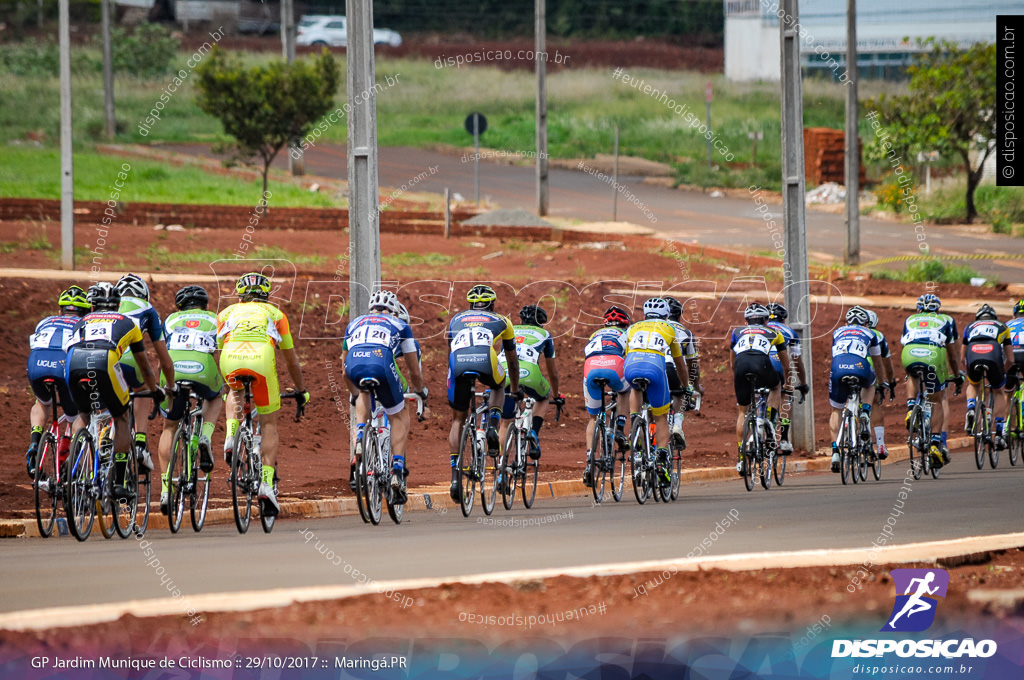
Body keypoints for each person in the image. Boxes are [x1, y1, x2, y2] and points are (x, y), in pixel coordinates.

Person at [217, 272, 309, 513]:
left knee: (233, 391)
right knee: (269, 424)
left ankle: (231, 436)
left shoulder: (225, 313)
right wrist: (301, 390)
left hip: (230, 358)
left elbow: (220, 347)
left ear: (240, 295)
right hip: (261, 358)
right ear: (266, 295)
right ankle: (266, 485)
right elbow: (291, 362)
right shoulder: (277, 314)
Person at [65, 283, 162, 498]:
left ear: (92, 306)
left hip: (73, 362)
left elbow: (69, 348)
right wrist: (154, 390)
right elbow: (145, 367)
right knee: (121, 416)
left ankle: (72, 461)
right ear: (118, 305)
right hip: (104, 361)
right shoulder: (127, 322)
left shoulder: (80, 321)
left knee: (83, 413)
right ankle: (119, 481)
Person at [341, 290, 427, 502]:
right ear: (394, 311)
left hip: (354, 363)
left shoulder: (354, 324)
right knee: (399, 413)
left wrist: (353, 395)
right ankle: (397, 468)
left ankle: (360, 435)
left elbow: (343, 370)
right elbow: (414, 371)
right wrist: (420, 392)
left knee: (362, 392)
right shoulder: (401, 326)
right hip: (382, 364)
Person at [445, 284, 520, 501]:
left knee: (457, 420)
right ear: (492, 304)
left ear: (470, 303)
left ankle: (455, 478)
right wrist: (513, 390)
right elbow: (512, 360)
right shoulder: (503, 321)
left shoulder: (455, 319)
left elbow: (451, 353)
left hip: (457, 364)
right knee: (498, 384)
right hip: (486, 359)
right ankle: (493, 426)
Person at [155, 285, 225, 515]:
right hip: (202, 367)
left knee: (169, 427)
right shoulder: (215, 318)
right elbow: (219, 354)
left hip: (173, 369)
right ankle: (205, 434)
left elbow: (162, 354)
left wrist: (161, 383)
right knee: (215, 397)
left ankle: (166, 488)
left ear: (180, 305)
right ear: (204, 305)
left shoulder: (171, 319)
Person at [25, 286, 90, 479]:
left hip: (37, 363)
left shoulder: (45, 321)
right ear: (85, 311)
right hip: (63, 365)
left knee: (43, 403)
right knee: (77, 413)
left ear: (60, 310)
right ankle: (67, 455)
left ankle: (35, 441)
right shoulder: (85, 322)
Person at [624, 297, 689, 488]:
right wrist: (685, 386)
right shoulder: (669, 328)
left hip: (632, 367)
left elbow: (626, 353)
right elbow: (679, 363)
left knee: (635, 387)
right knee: (660, 417)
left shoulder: (633, 327)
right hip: (655, 368)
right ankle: (661, 458)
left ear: (644, 315)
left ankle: (635, 423)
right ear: (666, 315)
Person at [115, 273, 175, 473]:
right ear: (144, 295)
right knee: (141, 389)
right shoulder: (147, 308)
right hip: (130, 361)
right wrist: (169, 387)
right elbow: (164, 359)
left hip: (96, 357)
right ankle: (140, 443)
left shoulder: (108, 304)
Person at [899, 293, 962, 467]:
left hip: (910, 353)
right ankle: (935, 443)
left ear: (918, 308)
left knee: (913, 374)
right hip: (934, 355)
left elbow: (906, 344)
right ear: (938, 309)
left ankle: (911, 407)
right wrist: (957, 375)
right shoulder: (946, 320)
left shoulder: (910, 319)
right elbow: (952, 353)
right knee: (937, 400)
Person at [727, 303, 791, 475]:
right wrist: (788, 384)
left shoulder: (737, 332)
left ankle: (741, 459)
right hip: (761, 364)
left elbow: (732, 360)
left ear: (746, 320)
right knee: (776, 386)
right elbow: (785, 364)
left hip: (741, 367)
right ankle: (769, 421)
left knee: (742, 412)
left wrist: (737, 374)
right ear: (765, 320)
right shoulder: (774, 332)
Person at [497, 305, 563, 460]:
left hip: (504, 373)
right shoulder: (545, 334)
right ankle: (533, 431)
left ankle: (501, 469)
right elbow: (552, 371)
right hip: (529, 374)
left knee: (505, 423)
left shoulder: (511, 330)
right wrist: (555, 394)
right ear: (541, 323)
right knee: (543, 397)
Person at [827, 306, 882, 472]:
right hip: (860, 367)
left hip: (838, 369)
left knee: (836, 410)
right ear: (866, 323)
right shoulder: (870, 333)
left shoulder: (837, 332)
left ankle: (835, 452)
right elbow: (877, 362)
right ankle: (865, 411)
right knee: (870, 384)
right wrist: (883, 381)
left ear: (846, 322)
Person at [582, 305, 631, 487]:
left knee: (593, 418)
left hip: (591, 367)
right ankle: (619, 428)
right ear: (625, 324)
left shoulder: (594, 334)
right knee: (624, 391)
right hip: (615, 365)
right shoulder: (627, 334)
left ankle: (590, 462)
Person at [961, 303, 1014, 449]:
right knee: (998, 390)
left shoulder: (970, 326)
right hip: (992, 353)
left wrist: (968, 370)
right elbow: (1010, 359)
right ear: (994, 317)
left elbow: (962, 356)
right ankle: (998, 433)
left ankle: (971, 407)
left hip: (973, 353)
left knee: (973, 384)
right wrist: (1002, 372)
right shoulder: (1002, 326)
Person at [767, 302, 809, 453]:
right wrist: (803, 383)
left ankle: (754, 433)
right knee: (786, 393)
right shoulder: (790, 332)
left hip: (757, 365)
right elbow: (797, 361)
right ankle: (783, 439)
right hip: (777, 365)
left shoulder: (758, 330)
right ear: (783, 320)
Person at [664, 296, 703, 447]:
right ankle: (677, 425)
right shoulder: (686, 332)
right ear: (679, 315)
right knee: (680, 393)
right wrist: (694, 385)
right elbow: (693, 364)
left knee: (650, 401)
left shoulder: (651, 327)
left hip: (649, 367)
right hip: (672, 369)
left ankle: (642, 430)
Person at [865, 309, 896, 459]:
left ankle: (851, 434)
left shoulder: (848, 331)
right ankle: (880, 444)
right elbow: (887, 364)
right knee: (874, 403)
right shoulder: (879, 336)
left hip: (847, 367)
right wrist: (889, 382)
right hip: (870, 370)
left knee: (851, 401)